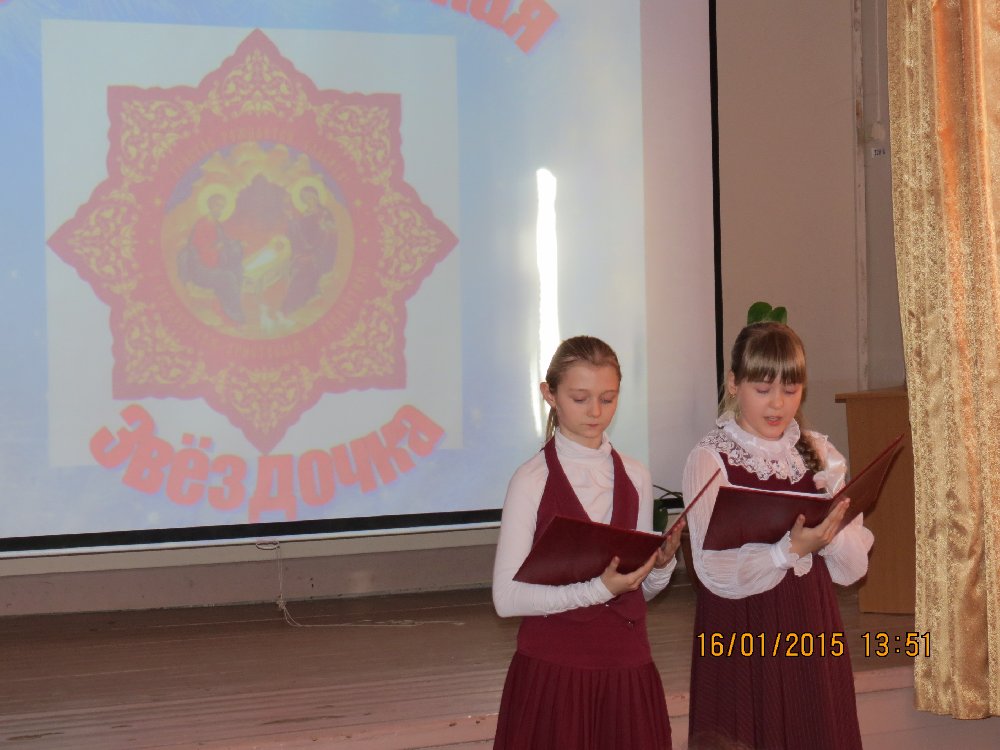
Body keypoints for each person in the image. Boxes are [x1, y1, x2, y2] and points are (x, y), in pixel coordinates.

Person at [682, 321, 873, 750]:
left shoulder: (819, 453)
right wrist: (788, 551)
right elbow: (711, 570)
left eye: (790, 390)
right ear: (734, 384)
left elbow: (853, 568)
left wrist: (832, 526)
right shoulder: (710, 459)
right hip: (741, 632)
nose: (778, 404)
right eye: (763, 389)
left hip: (809, 624)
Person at [492, 335, 683, 749]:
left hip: (626, 668)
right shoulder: (531, 480)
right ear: (550, 395)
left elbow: (633, 590)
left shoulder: (636, 475)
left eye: (608, 399)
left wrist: (661, 565)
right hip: (555, 672)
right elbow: (505, 599)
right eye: (580, 398)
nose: (596, 412)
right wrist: (598, 590)